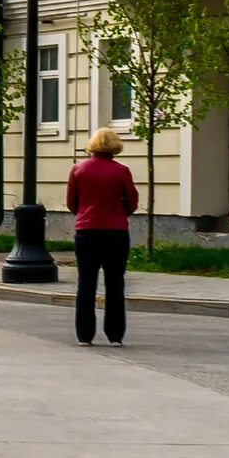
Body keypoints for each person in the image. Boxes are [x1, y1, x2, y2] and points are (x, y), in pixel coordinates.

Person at [67, 126, 138, 347]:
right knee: (115, 283)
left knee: (86, 283)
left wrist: (86, 213)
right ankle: (115, 334)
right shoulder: (121, 171)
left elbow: (71, 203)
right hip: (116, 232)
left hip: (87, 231)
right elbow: (132, 202)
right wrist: (118, 212)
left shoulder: (78, 170)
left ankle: (84, 335)